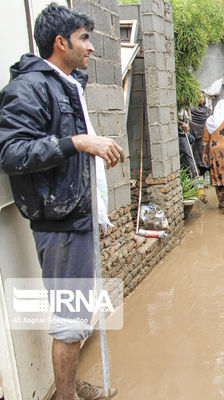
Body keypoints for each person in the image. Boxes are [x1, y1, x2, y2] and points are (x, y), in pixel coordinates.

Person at [0, 4, 124, 399]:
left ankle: (68, 388)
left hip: (77, 216)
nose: (91, 48)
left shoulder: (66, 84)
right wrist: (77, 142)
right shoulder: (30, 87)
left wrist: (98, 212)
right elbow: (11, 152)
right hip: (60, 221)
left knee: (78, 315)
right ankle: (65, 396)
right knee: (70, 320)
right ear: (60, 42)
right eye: (84, 39)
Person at [190, 95, 211, 175]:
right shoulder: (192, 110)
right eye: (199, 97)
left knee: (207, 155)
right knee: (198, 156)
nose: (201, 99)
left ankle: (208, 175)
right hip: (197, 138)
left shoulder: (208, 111)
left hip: (207, 138)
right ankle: (201, 175)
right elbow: (191, 123)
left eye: (202, 97)